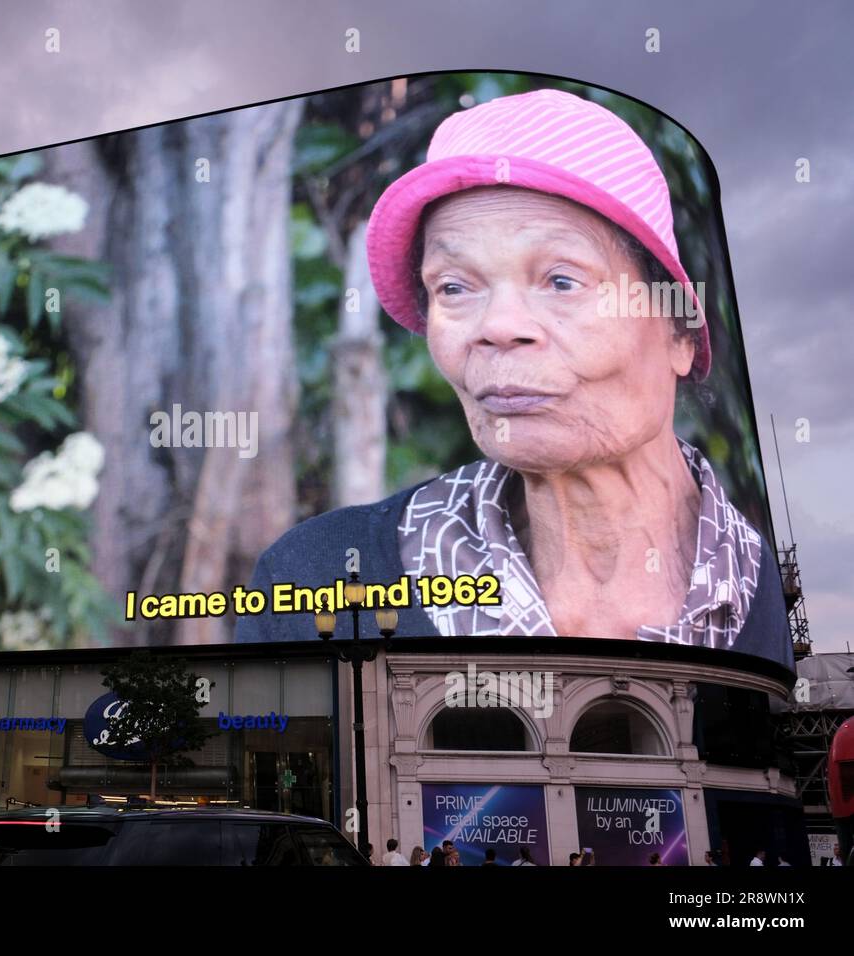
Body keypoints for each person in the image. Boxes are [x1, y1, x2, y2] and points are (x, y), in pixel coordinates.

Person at [235, 88, 790, 671]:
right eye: (453, 287)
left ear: (679, 331)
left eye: (561, 280)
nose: (497, 327)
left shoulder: (779, 596)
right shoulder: (316, 577)